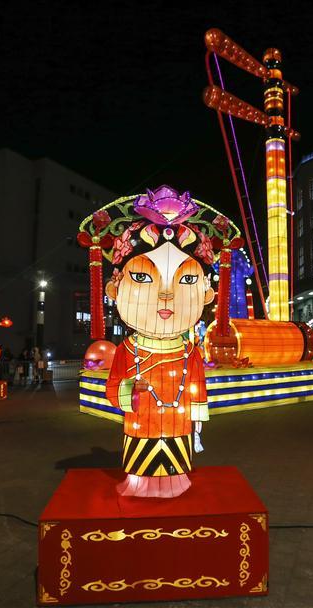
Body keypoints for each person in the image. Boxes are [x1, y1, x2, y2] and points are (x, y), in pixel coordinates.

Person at [99, 186, 217, 498]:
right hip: (141, 423)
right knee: (141, 466)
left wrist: (199, 420)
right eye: (142, 277)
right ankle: (138, 481)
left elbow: (198, 385)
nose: (166, 294)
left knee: (176, 466)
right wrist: (128, 392)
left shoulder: (189, 350)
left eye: (187, 280)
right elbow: (112, 389)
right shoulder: (127, 349)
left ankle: (177, 480)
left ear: (206, 295)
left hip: (178, 425)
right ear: (115, 289)